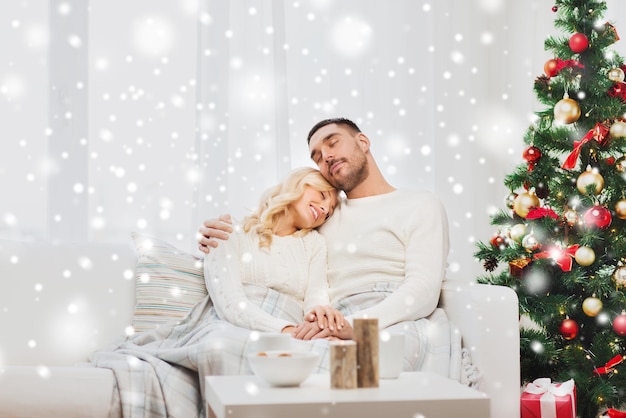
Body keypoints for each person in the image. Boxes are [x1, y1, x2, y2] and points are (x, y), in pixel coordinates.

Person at [198, 118, 451, 373]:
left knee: (359, 367)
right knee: (297, 368)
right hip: (330, 321)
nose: (326, 156)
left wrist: (353, 326)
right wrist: (218, 232)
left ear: (363, 142)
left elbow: (423, 290)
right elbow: (272, 237)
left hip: (391, 318)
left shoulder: (419, 204)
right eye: (317, 156)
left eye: (333, 143)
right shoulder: (320, 217)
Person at [205, 166, 345, 334]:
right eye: (323, 195)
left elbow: (316, 298)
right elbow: (228, 301)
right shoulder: (229, 231)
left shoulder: (315, 244)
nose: (324, 209)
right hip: (237, 327)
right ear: (298, 183)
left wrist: (315, 324)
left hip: (295, 331)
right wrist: (284, 331)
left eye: (329, 212)